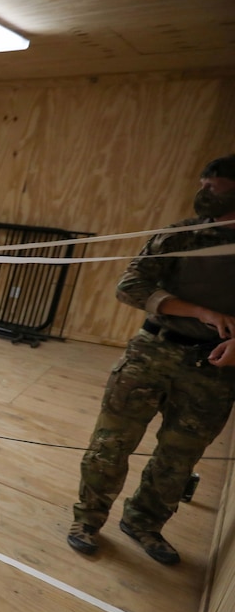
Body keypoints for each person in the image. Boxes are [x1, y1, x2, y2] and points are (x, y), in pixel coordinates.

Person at [68, 155, 235, 565]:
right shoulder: (182, 235)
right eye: (202, 184)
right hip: (153, 353)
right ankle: (87, 520)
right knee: (111, 443)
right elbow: (130, 287)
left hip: (213, 370)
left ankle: (144, 523)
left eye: (214, 186)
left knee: (179, 457)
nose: (203, 193)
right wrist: (198, 311)